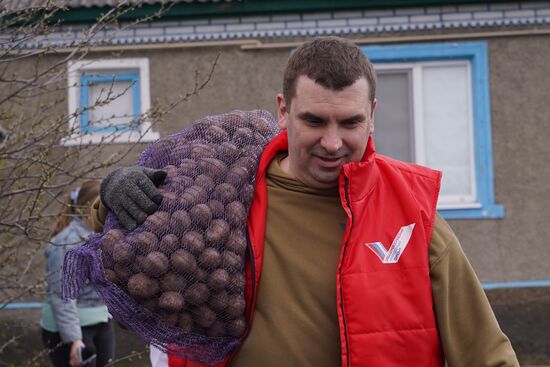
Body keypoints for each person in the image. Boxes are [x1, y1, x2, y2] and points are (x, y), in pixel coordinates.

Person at [93, 37, 519, 366]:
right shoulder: (227, 191)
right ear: (283, 111)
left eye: (350, 123)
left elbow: (485, 352)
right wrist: (110, 196)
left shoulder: (413, 215)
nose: (332, 143)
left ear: (372, 114)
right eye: (313, 121)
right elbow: (132, 243)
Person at [41, 180, 115, 367]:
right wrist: (74, 340)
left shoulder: (104, 237)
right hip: (69, 330)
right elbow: (62, 297)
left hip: (101, 320)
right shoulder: (66, 244)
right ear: (86, 209)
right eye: (105, 208)